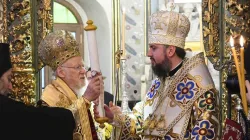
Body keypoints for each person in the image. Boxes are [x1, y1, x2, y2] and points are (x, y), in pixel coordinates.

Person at [95, 11, 220, 139]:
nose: (149, 53)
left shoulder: (200, 88)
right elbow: (141, 124)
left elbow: (205, 134)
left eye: (153, 48)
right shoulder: (159, 83)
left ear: (170, 50)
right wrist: (115, 118)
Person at [0, 43, 75, 140]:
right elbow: (31, 119)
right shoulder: (50, 94)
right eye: (9, 78)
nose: (10, 87)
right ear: (60, 72)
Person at [37, 30, 103, 140]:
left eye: (83, 66)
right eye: (78, 67)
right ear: (61, 72)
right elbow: (59, 124)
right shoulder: (49, 98)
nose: (83, 71)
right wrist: (86, 99)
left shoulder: (75, 92)